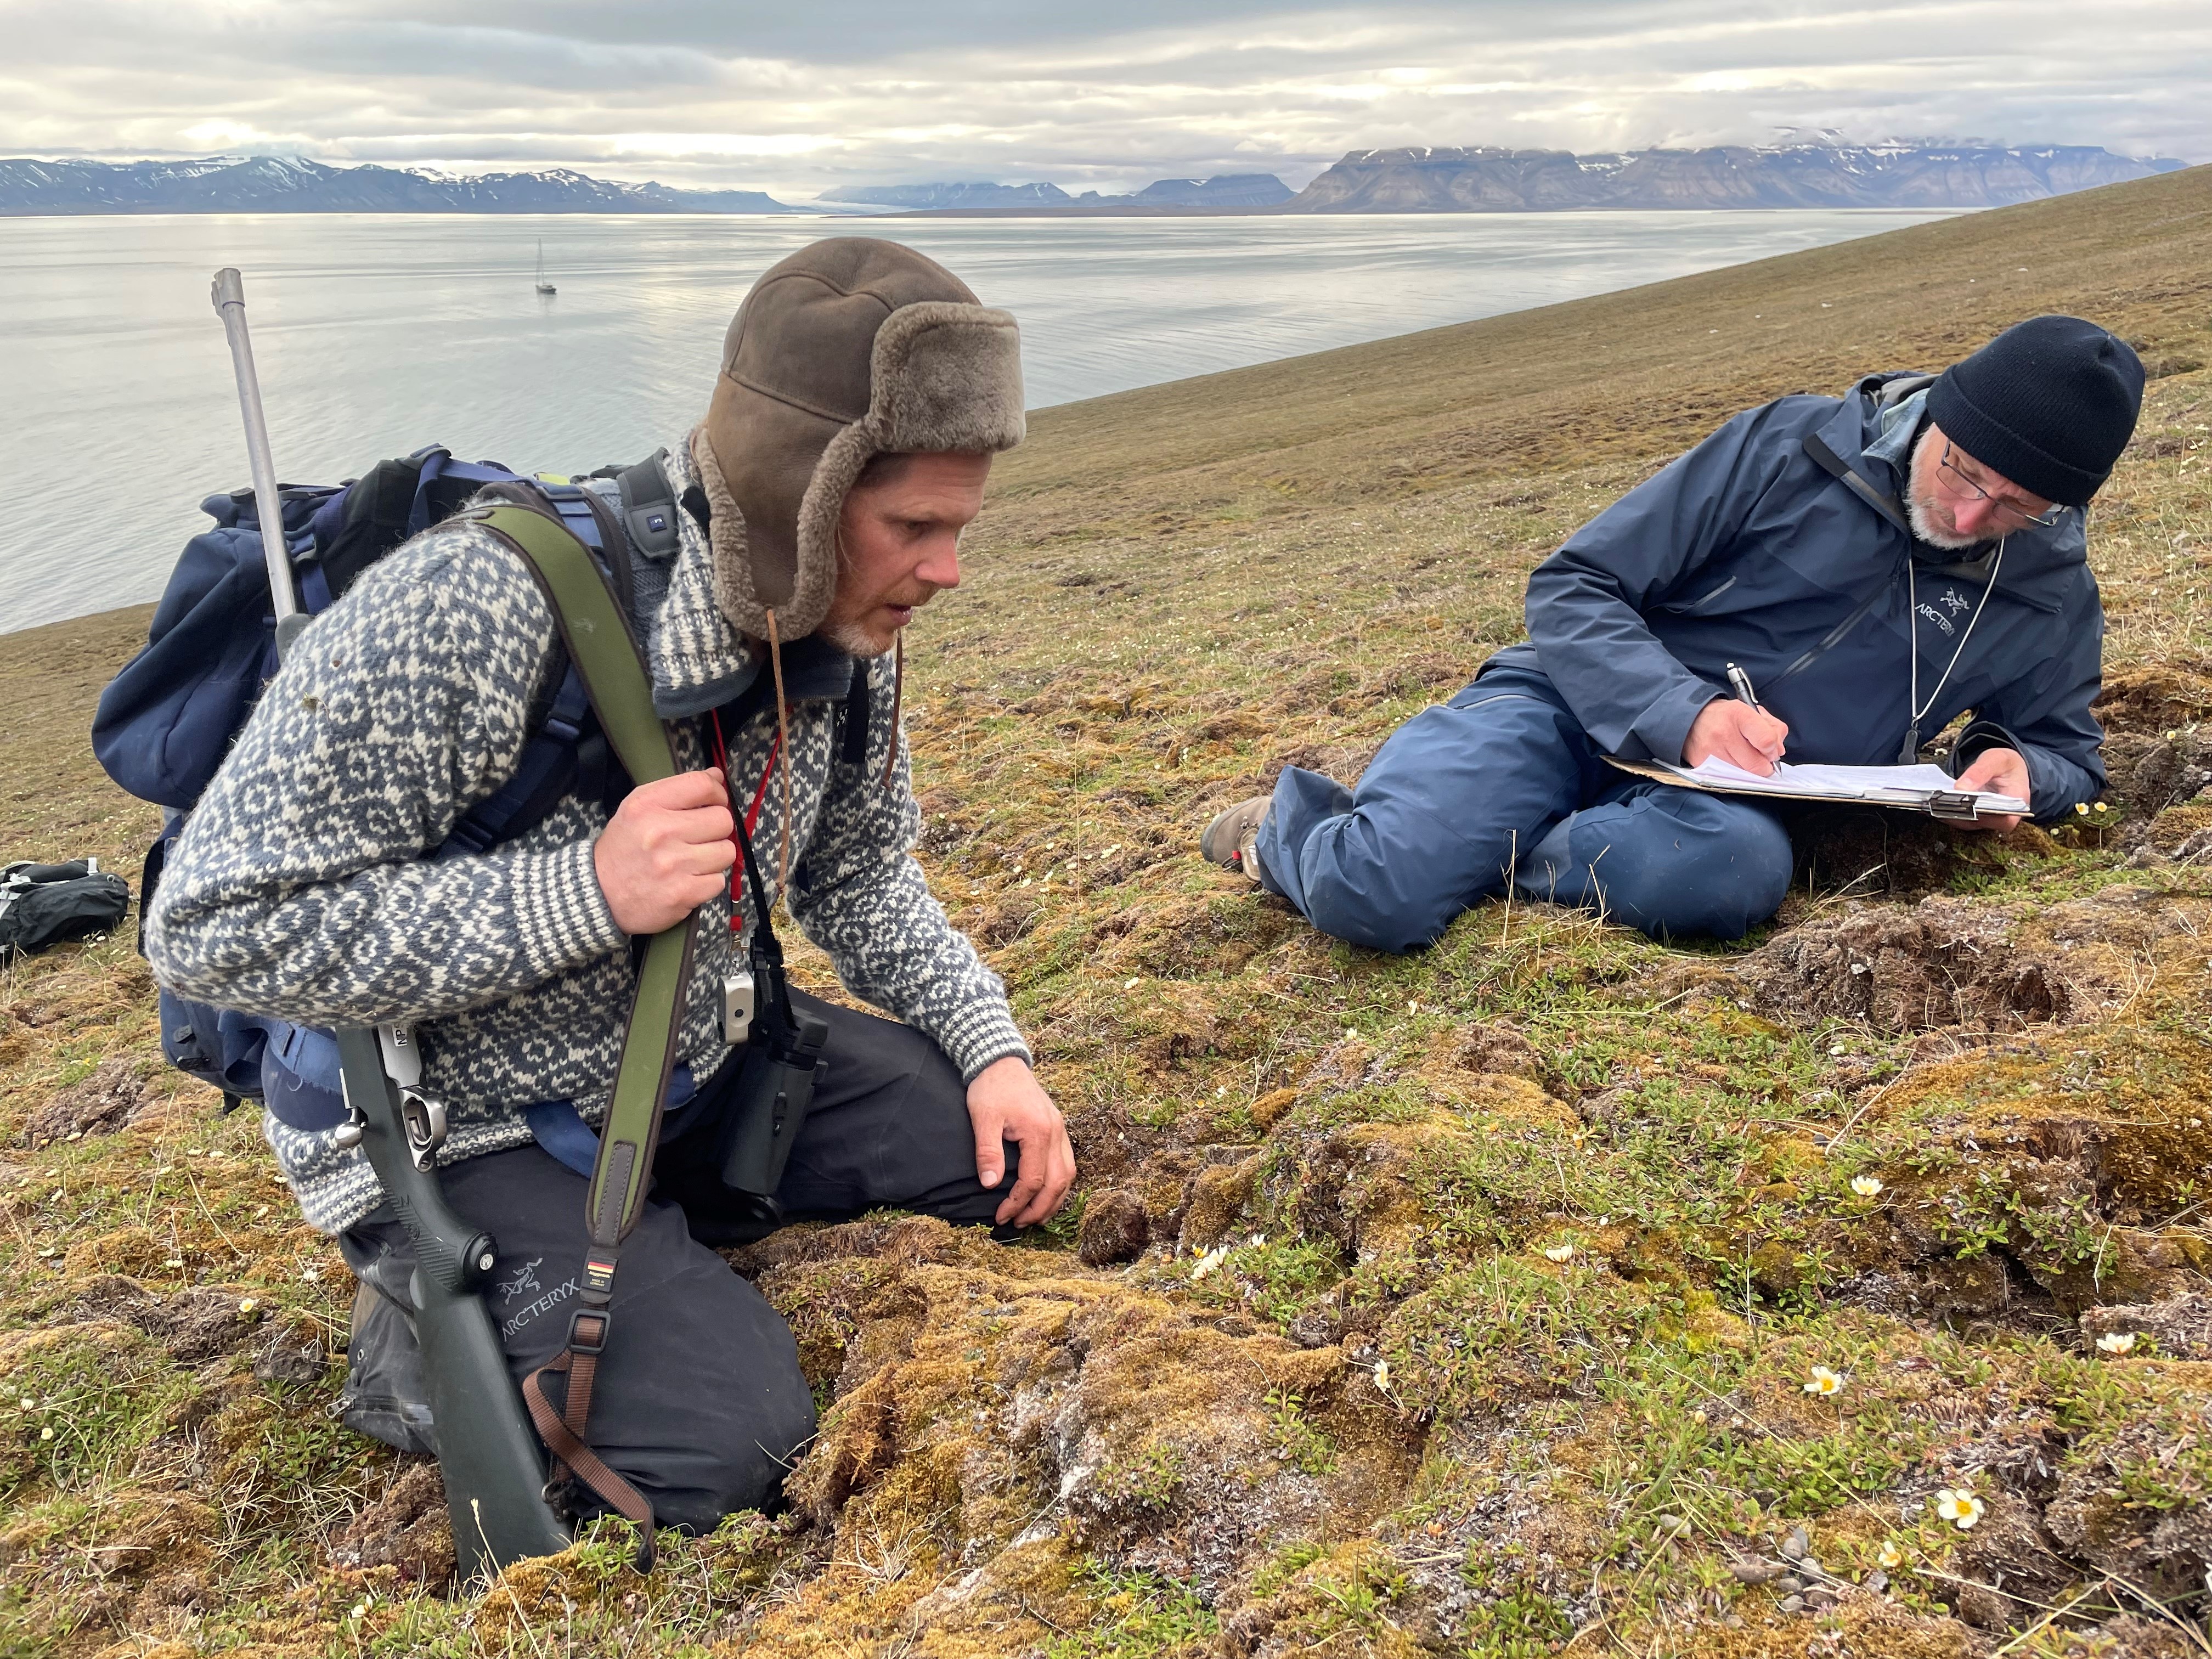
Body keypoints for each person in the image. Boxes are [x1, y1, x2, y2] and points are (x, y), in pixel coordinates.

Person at [144, 238, 1075, 1532]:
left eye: (958, 528)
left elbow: (861, 875)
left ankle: (652, 1242)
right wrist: (584, 892)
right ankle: (425, 1327)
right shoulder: (476, 609)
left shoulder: (836, 632)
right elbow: (208, 926)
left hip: (695, 1069)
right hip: (475, 1129)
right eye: (913, 528)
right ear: (796, 503)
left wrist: (993, 1051)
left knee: (993, 1163)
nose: (947, 571)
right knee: (727, 1449)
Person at [1203, 314, 2145, 951]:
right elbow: (1575, 583)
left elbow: (2065, 751)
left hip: (1736, 803)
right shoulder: (1790, 448)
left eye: (2016, 506)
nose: (1971, 516)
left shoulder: (2050, 591)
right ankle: (1280, 833)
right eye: (1963, 471)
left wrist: (2016, 768)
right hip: (1564, 708)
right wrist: (1682, 711)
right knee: (1375, 894)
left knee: (1731, 878)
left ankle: (1472, 846)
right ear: (1938, 414)